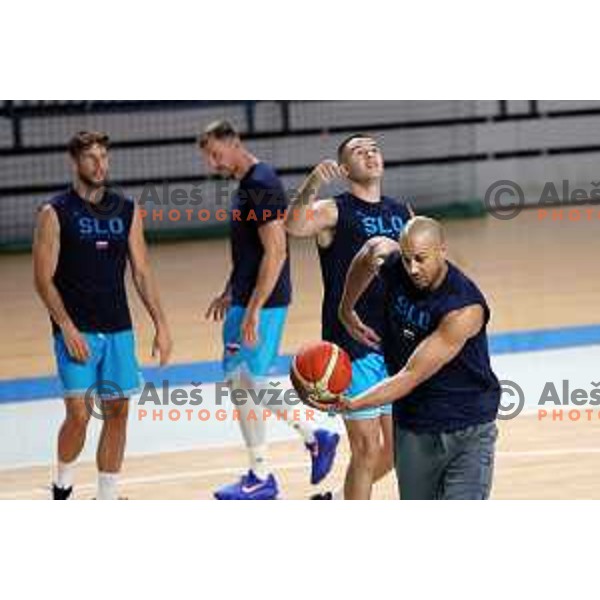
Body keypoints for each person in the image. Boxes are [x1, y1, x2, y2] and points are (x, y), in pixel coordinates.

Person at [198, 120, 339, 500]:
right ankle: (314, 438)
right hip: (247, 297)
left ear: (234, 142)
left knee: (245, 384)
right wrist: (231, 291)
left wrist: (254, 309)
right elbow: (250, 251)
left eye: (216, 154)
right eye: (209, 158)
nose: (213, 164)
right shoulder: (247, 185)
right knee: (244, 383)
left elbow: (276, 252)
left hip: (265, 300)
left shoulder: (261, 183)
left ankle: (263, 474)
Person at [33, 130, 173, 500]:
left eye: (104, 157)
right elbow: (42, 279)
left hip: (118, 328)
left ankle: (107, 497)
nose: (100, 165)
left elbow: (141, 271)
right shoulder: (55, 212)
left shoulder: (125, 209)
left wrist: (160, 324)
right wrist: (66, 328)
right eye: (91, 158)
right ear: (75, 162)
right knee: (79, 415)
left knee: (118, 413)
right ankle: (62, 483)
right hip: (75, 331)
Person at [337, 216, 501, 499]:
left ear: (442, 250)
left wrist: (354, 403)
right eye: (407, 258)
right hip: (414, 426)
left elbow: (410, 375)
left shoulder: (462, 308)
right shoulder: (394, 267)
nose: (412, 268)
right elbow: (370, 251)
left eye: (421, 259)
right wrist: (346, 308)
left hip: (467, 428)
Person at [285, 133, 412, 499]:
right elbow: (293, 226)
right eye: (359, 151)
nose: (370, 154)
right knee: (366, 449)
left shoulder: (402, 211)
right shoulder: (333, 209)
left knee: (399, 447)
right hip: (352, 345)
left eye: (374, 149)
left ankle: (337, 501)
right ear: (344, 168)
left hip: (396, 342)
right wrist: (312, 183)